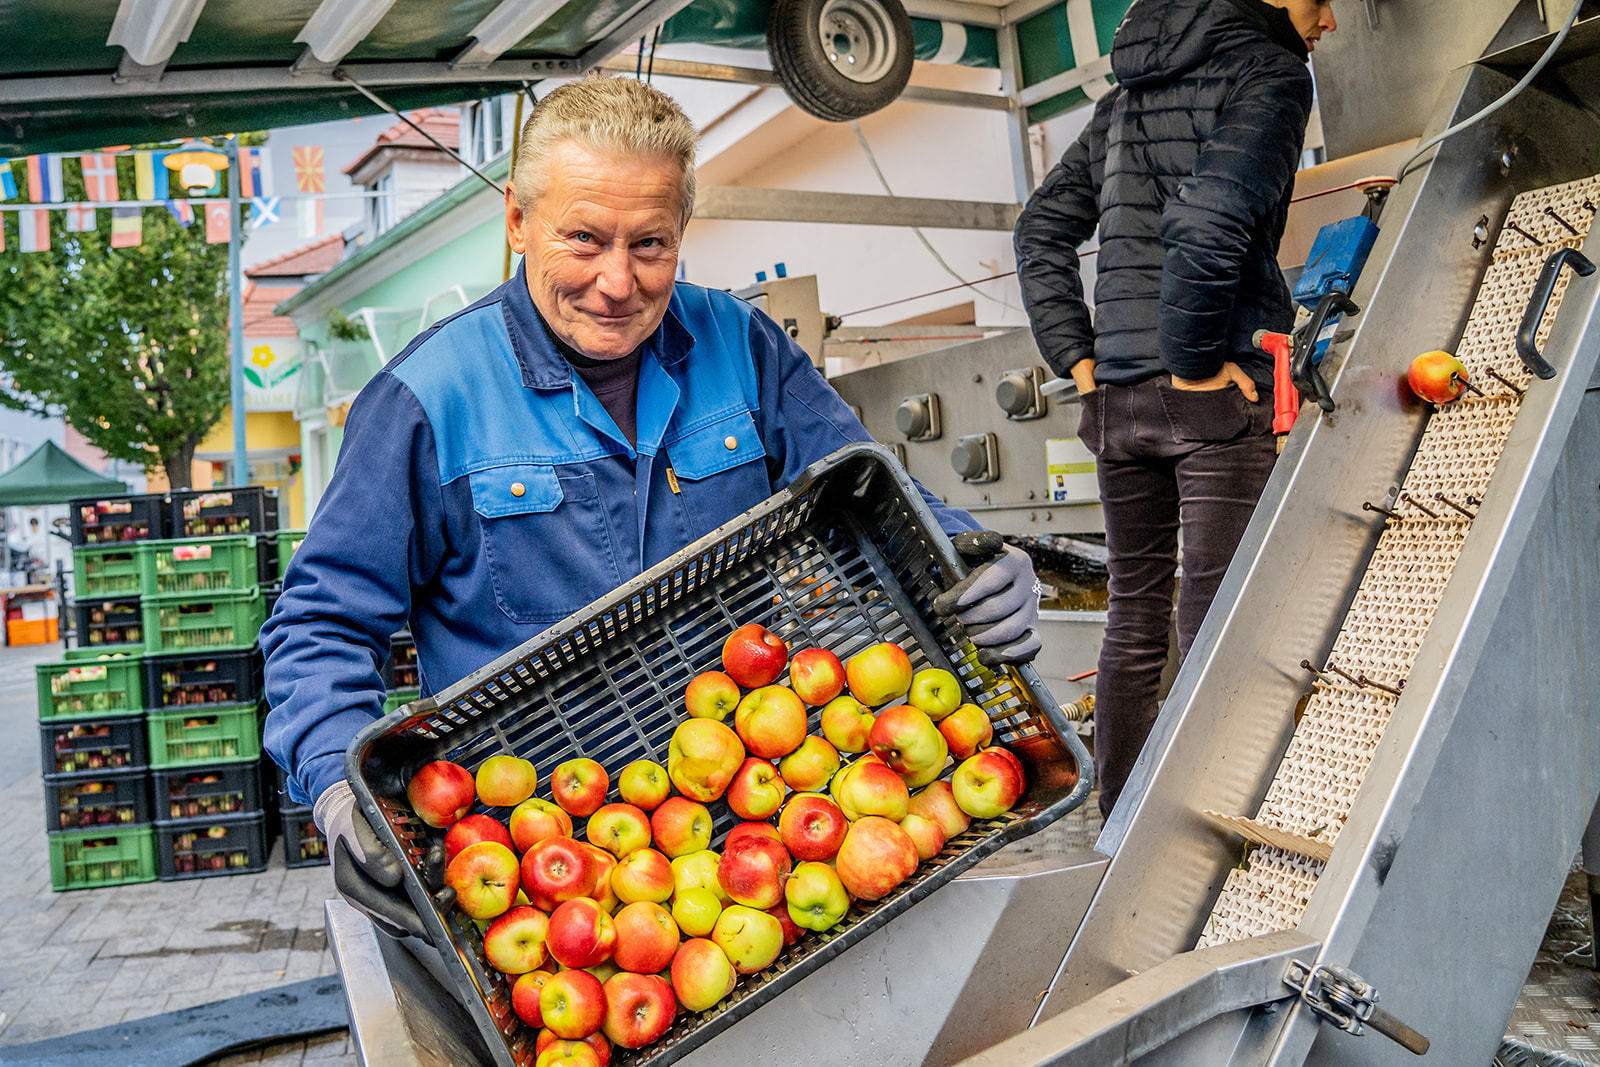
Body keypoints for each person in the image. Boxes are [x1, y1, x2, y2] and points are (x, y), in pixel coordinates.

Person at [262, 75, 1043, 938]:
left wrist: (968, 554)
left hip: (769, 821)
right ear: (518, 220)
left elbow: (873, 489)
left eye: (651, 244)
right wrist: (340, 789)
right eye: (584, 238)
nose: (617, 282)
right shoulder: (426, 398)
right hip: (542, 866)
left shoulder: (741, 345)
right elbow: (321, 622)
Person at [1014, 0, 1336, 817]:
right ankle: (1211, 831)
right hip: (1209, 397)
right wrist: (1194, 363)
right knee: (1220, 621)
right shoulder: (1269, 71)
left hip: (1116, 401)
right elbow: (1210, 215)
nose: (1327, 18)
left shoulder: (1123, 98)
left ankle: (1122, 820)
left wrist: (1080, 361)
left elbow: (1041, 228)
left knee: (1136, 616)